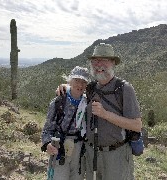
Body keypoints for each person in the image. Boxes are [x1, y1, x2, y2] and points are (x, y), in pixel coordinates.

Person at [57, 43, 142, 180]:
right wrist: (66, 86)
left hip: (116, 154)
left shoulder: (124, 89)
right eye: (95, 60)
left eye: (104, 60)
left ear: (113, 63)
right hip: (91, 153)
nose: (99, 64)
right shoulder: (90, 88)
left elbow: (137, 125)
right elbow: (76, 89)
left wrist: (105, 114)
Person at [41, 66, 89, 180]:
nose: (80, 85)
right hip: (60, 146)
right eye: (77, 80)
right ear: (70, 81)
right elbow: (47, 129)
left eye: (83, 82)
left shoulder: (88, 103)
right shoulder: (59, 102)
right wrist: (47, 143)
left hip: (79, 149)